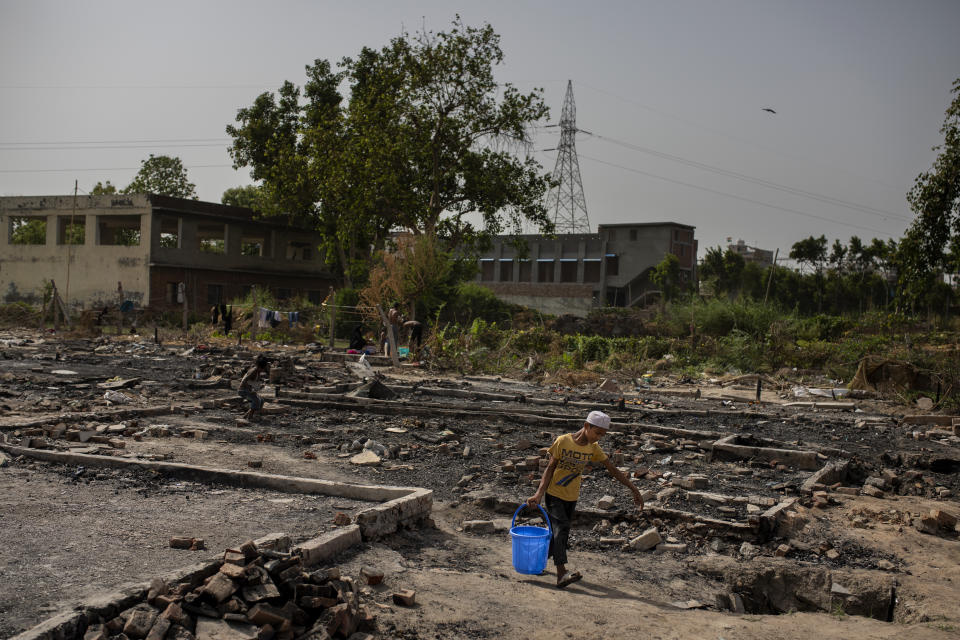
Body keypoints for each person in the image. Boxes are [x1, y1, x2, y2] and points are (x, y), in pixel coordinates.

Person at [526, 410, 643, 588]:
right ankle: (561, 573)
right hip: (554, 494)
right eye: (597, 433)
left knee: (557, 533)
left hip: (572, 496)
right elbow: (550, 468)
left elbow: (612, 469)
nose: (598, 438)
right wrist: (539, 494)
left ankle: (535, 564)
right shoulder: (563, 441)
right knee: (562, 528)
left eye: (602, 435)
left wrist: (634, 489)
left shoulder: (593, 448)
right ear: (586, 426)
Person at [238, 355, 270, 419]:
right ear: (261, 367)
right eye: (264, 368)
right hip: (243, 390)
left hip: (248, 389)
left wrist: (259, 386)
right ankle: (250, 417)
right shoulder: (254, 371)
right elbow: (245, 381)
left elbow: (253, 383)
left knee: (261, 400)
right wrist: (250, 390)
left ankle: (247, 415)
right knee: (256, 400)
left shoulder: (257, 371)